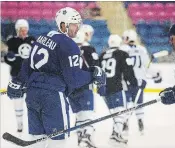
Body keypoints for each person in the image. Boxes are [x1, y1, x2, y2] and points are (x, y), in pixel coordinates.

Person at [6, 7, 106, 148]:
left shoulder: (42, 38)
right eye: (74, 24)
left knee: (37, 140)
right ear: (63, 25)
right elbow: (74, 79)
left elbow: (28, 64)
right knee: (58, 141)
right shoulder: (69, 44)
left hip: (33, 95)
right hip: (52, 97)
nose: (78, 28)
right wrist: (93, 75)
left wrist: (17, 81)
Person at [98, 34, 145, 147]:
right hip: (117, 87)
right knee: (121, 112)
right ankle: (115, 135)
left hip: (104, 88)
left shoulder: (103, 54)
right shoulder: (122, 54)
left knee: (116, 113)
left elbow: (97, 71)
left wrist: (99, 87)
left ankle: (117, 135)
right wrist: (136, 83)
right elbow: (128, 72)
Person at [120, 29, 160, 135]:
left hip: (126, 82)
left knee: (127, 103)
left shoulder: (122, 49)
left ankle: (125, 125)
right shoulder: (141, 49)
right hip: (139, 81)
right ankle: (140, 124)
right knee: (139, 103)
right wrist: (155, 75)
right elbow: (147, 66)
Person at [4, 19, 35, 132]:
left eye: (25, 29)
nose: (24, 32)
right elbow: (7, 59)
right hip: (16, 75)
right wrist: (9, 58)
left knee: (32, 102)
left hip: (30, 76)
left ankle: (33, 124)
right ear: (17, 30)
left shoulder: (32, 40)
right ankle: (19, 124)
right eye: (21, 30)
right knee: (18, 101)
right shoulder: (11, 42)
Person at [71, 29, 99, 148]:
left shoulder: (68, 50)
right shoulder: (89, 49)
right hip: (85, 87)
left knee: (79, 116)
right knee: (89, 115)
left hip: (71, 89)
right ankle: (86, 138)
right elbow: (96, 67)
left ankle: (80, 138)